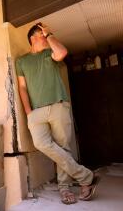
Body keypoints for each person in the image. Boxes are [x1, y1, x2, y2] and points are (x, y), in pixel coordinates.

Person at [15, 23, 100, 204]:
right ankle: (86, 176)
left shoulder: (49, 53)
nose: (45, 37)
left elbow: (61, 53)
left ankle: (65, 189)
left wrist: (50, 34)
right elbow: (22, 87)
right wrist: (28, 111)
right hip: (36, 112)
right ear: (32, 38)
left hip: (58, 106)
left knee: (63, 147)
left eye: (45, 35)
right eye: (42, 34)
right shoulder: (21, 61)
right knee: (41, 143)